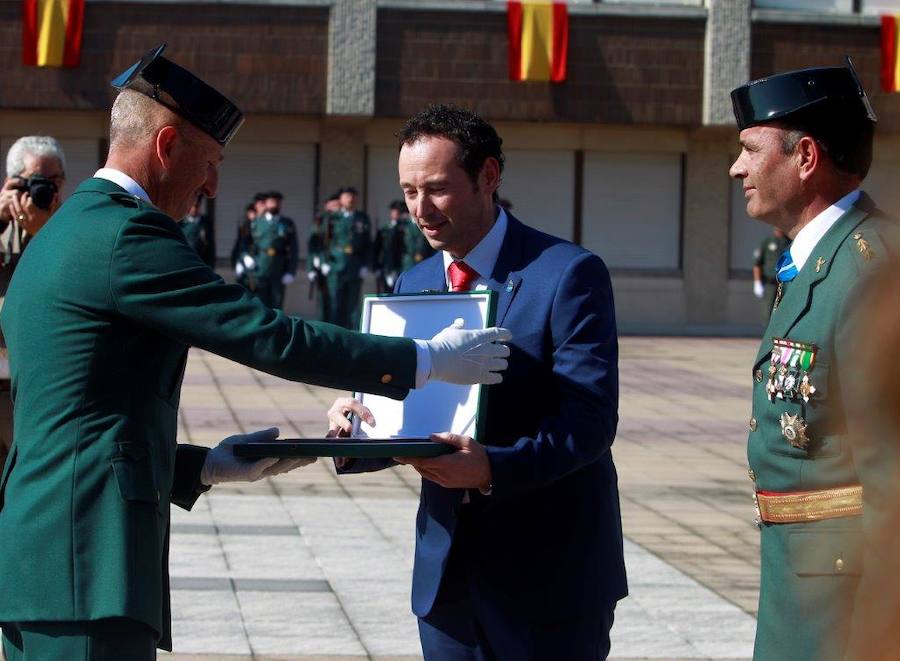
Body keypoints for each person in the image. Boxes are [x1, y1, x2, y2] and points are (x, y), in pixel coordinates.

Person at [0, 47, 510, 660]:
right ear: (166, 148)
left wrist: (205, 466)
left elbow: (80, 418)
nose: (213, 185)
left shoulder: (63, 230)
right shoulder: (128, 234)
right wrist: (425, 360)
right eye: (211, 162)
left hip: (43, 559)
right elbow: (268, 334)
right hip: (87, 562)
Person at [329, 105, 625, 660]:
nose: (419, 209)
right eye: (409, 191)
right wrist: (357, 426)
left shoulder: (567, 274)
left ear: (489, 176)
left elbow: (590, 423)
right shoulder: (413, 282)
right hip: (447, 577)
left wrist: (492, 467)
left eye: (437, 189)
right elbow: (414, 414)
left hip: (548, 577)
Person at [730, 61, 899, 660]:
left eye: (751, 150)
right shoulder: (819, 261)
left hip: (847, 605)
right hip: (808, 578)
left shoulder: (869, 270)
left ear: (805, 157)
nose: (737, 167)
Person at [0, 136, 67, 477]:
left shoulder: (73, 228)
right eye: (35, 181)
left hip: (41, 391)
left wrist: (44, 236)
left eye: (54, 181)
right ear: (12, 182)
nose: (45, 191)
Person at [325, 186, 371, 328]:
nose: (350, 199)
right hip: (336, 265)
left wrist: (366, 264)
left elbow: (368, 243)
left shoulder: (362, 218)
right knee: (335, 303)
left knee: (353, 304)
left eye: (353, 196)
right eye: (346, 196)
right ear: (340, 199)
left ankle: (352, 335)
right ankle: (333, 334)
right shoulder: (332, 218)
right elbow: (324, 242)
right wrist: (324, 261)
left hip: (355, 265)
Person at [249, 190, 298, 309]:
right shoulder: (256, 222)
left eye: (277, 202)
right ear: (265, 204)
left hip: (279, 267)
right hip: (260, 266)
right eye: (271, 202)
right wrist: (246, 257)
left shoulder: (287, 223)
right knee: (260, 303)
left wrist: (291, 271)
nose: (274, 204)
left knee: (277, 303)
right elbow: (247, 243)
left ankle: (277, 328)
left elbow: (294, 248)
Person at [307, 192, 339, 322]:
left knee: (335, 300)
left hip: (335, 264)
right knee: (323, 299)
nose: (336, 207)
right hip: (321, 264)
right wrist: (313, 264)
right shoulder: (320, 221)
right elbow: (313, 244)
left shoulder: (339, 220)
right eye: (333, 205)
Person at [751, 228, 790, 324]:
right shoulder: (767, 242)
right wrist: (757, 282)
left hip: (785, 284)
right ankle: (767, 336)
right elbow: (757, 264)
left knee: (784, 311)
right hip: (770, 284)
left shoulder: (789, 242)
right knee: (768, 311)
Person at [372, 200, 408, 293]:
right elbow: (378, 248)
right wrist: (376, 266)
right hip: (388, 266)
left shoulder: (407, 228)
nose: (396, 214)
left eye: (399, 212)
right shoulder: (385, 228)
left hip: (404, 265)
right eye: (394, 211)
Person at [177, 195, 215, 267]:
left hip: (201, 262)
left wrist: (211, 266)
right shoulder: (180, 223)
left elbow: (211, 247)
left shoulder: (206, 223)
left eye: (197, 206)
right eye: (192, 206)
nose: (194, 209)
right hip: (185, 262)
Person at [231, 201, 257, 291]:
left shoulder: (258, 226)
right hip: (243, 258)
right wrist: (237, 261)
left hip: (255, 260)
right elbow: (239, 244)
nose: (252, 215)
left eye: (254, 212)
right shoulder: (244, 225)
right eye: (250, 213)